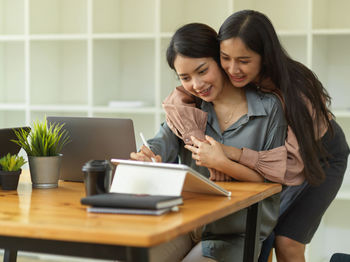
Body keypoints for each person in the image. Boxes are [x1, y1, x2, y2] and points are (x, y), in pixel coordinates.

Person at [163, 10, 350, 262]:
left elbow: (288, 170)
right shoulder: (237, 79)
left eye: (243, 60)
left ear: (265, 56)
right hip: (282, 158)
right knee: (265, 232)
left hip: (321, 155)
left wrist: (226, 154)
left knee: (287, 241)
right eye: (225, 58)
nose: (232, 68)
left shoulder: (293, 93)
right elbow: (180, 96)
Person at [130, 22, 287, 261]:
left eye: (202, 71)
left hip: (237, 234)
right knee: (132, 255)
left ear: (220, 61)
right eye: (185, 77)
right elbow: (161, 141)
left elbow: (271, 179)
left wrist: (223, 161)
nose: (196, 84)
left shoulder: (268, 108)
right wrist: (147, 154)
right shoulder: (187, 107)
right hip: (186, 224)